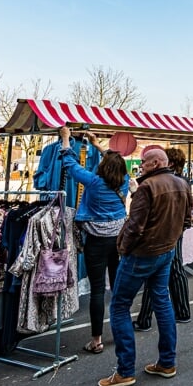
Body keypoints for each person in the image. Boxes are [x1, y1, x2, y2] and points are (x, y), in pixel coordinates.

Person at [100, 147, 192, 386]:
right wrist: (170, 241)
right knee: (162, 302)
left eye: (142, 162)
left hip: (142, 255)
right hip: (165, 252)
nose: (140, 166)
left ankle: (125, 371)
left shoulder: (147, 188)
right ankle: (167, 362)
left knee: (119, 306)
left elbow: (135, 226)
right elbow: (187, 221)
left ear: (153, 163)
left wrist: (123, 248)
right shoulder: (182, 184)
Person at [58, 126, 129, 355]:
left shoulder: (94, 182)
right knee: (118, 287)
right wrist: (97, 143)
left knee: (98, 290)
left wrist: (66, 139)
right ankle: (120, 333)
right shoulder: (125, 181)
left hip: (96, 241)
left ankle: (96, 340)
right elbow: (113, 161)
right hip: (118, 240)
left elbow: (70, 164)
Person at [135, 147, 193, 330]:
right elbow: (187, 214)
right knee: (174, 271)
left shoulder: (162, 183)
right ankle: (182, 312)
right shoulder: (183, 182)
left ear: (171, 163)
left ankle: (145, 319)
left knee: (159, 275)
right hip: (174, 233)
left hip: (163, 235)